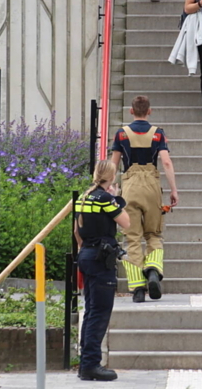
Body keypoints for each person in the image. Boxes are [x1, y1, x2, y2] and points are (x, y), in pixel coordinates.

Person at [109, 95, 179, 303]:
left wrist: (110, 188)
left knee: (131, 238)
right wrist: (173, 190)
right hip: (151, 186)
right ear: (149, 111)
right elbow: (166, 162)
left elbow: (113, 163)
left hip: (129, 185)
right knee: (154, 235)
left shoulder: (122, 134)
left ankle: (137, 288)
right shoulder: (158, 133)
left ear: (131, 111)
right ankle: (153, 270)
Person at [74, 158, 131, 381]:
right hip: (101, 259)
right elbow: (126, 222)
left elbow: (77, 229)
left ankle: (85, 363)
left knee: (90, 310)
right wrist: (115, 197)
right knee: (99, 312)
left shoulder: (84, 197)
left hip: (87, 254)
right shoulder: (105, 198)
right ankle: (91, 365)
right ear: (111, 176)